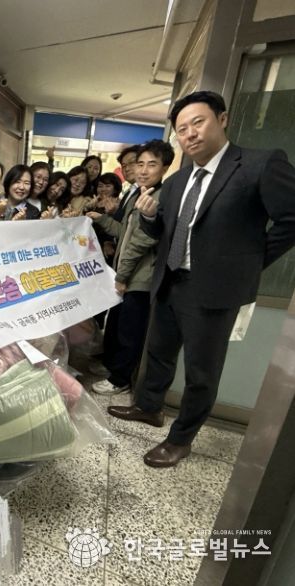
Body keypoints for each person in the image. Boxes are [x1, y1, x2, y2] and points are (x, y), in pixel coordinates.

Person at [108, 90, 295, 467]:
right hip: (170, 280)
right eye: (182, 129)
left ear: (222, 119)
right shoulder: (178, 181)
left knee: (201, 371)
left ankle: (181, 439)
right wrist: (149, 217)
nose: (190, 133)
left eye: (198, 122)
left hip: (214, 290)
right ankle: (149, 406)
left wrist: (250, 262)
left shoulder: (258, 165)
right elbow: (164, 231)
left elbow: (291, 218)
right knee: (159, 352)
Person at [90, 140, 174, 396]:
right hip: (126, 274)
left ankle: (120, 379)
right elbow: (124, 231)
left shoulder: (157, 199)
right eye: (140, 164)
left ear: (165, 168)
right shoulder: (137, 195)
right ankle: (113, 368)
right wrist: (102, 219)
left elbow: (140, 242)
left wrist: (122, 276)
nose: (143, 170)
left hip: (140, 278)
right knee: (117, 325)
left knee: (130, 330)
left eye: (152, 165)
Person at [112, 145, 140, 223]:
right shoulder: (128, 192)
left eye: (132, 163)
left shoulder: (149, 192)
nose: (127, 169)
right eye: (124, 166)